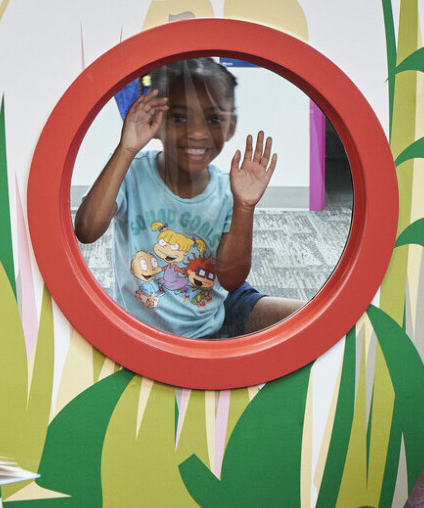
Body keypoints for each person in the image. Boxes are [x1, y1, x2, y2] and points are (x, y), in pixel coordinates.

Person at [74, 57, 299, 339]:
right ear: (158, 121)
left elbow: (231, 280)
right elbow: (86, 230)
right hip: (145, 328)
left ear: (230, 126)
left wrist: (244, 206)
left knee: (313, 318)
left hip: (213, 316)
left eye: (213, 119)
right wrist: (126, 148)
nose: (197, 132)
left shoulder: (228, 190)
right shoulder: (132, 171)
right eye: (180, 118)